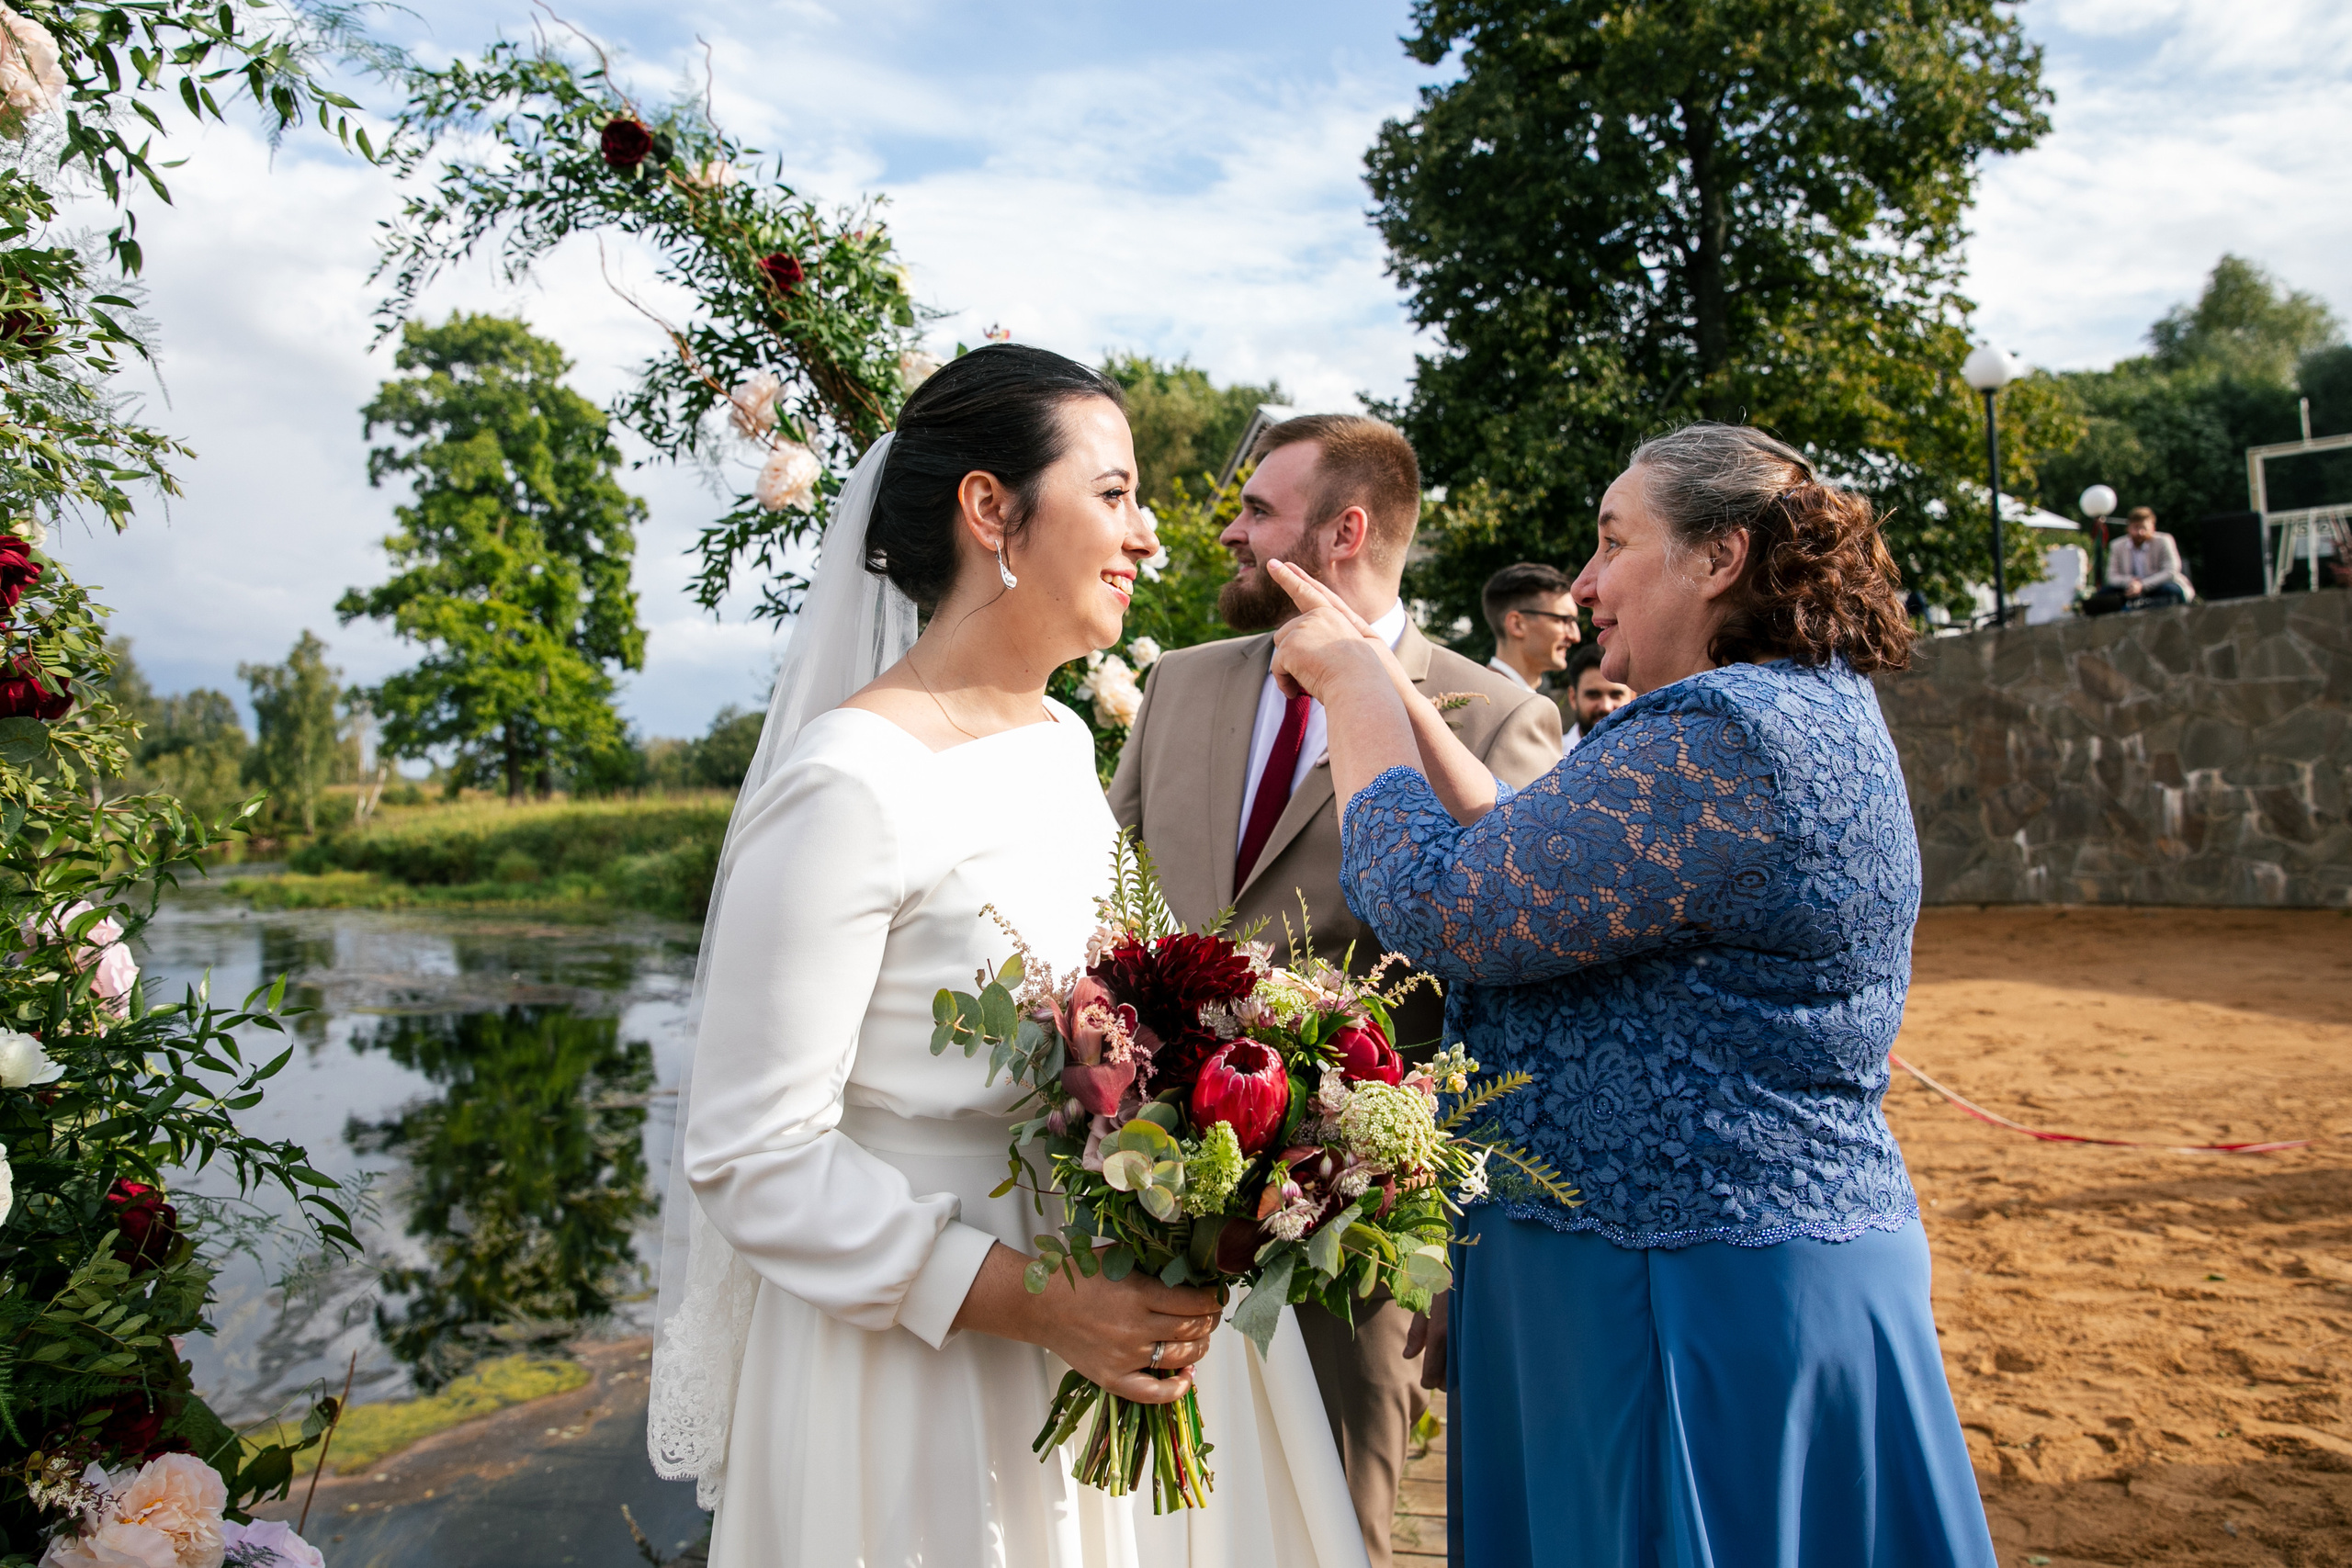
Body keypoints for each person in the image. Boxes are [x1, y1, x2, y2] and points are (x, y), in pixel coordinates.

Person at [649, 345, 1368, 1568]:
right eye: (1116, 492)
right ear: (992, 510)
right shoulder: (847, 782)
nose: (1150, 536)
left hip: (1111, 1309)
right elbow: (752, 1152)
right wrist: (1044, 1303)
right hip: (919, 1370)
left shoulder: (1052, 739)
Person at [1264, 422, 1996, 1567]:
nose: (1588, 582)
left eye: (1614, 543)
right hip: (1698, 1267)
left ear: (1719, 559)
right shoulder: (1780, 708)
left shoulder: (1723, 736)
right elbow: (1516, 849)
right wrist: (1395, 680)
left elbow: (1443, 909)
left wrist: (1352, 689)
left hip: (1679, 1290)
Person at [1108, 412, 1559, 1568]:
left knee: (1330, 1528)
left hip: (1358, 1231)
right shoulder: (1178, 685)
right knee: (1146, 1524)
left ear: (1344, 530)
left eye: (1257, 511)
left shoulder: (1493, 716)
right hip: (1146, 1199)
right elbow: (1106, 903)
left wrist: (1459, 1250)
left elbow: (1511, 1001)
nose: (1228, 531)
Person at [1480, 560, 1579, 701]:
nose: (1575, 636)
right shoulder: (1487, 702)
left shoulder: (1487, 695)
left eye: (1574, 622)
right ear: (1517, 624)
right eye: (1563, 620)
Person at [2088, 506, 2195, 614]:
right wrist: (2130, 582)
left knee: (2171, 591)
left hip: (2158, 587)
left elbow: (2171, 570)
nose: (2140, 532)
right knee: (2103, 595)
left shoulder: (2164, 540)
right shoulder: (2117, 545)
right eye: (2136, 527)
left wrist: (2142, 585)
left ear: (2153, 527)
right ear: (2128, 528)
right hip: (2129, 589)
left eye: (2144, 528)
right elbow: (2111, 577)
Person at [1558, 642, 1632, 750]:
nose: (1605, 707)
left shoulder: (1651, 757)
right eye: (1593, 695)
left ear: (1632, 697)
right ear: (1573, 697)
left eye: (1615, 695)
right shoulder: (1549, 759)